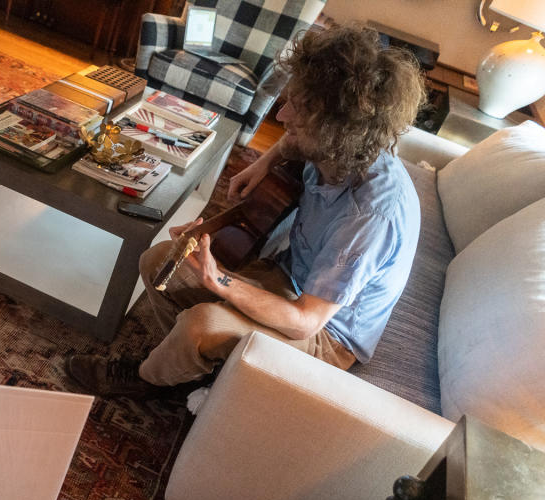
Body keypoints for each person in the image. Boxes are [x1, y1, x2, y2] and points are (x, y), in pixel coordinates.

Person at [66, 24, 426, 397]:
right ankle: (195, 367)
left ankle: (151, 382)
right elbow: (293, 140)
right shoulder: (339, 145)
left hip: (326, 335)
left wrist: (219, 280)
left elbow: (305, 321)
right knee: (159, 261)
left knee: (200, 325)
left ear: (335, 132)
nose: (282, 116)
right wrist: (263, 164)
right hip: (287, 276)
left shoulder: (369, 216)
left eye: (298, 111)